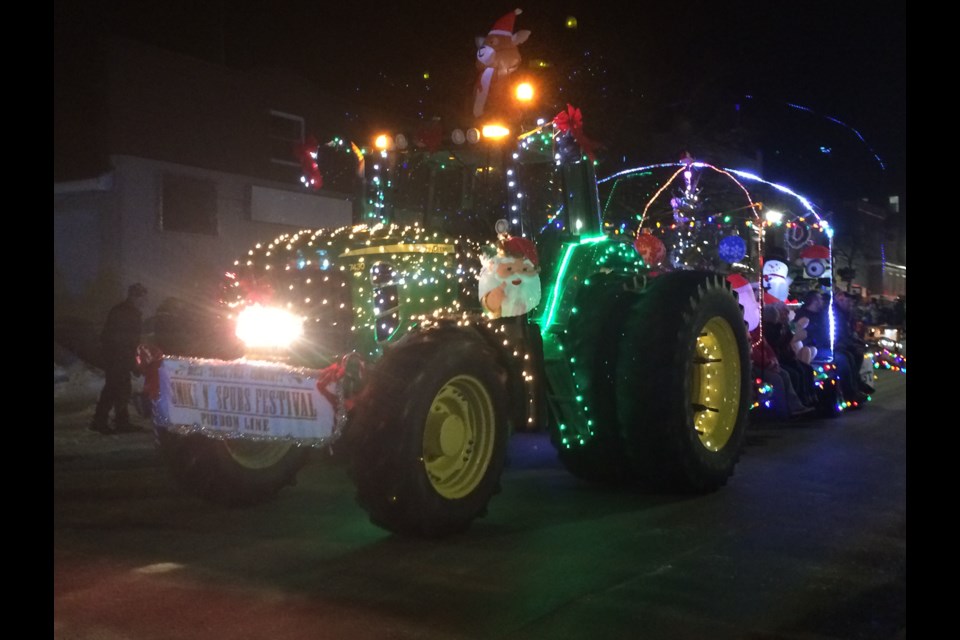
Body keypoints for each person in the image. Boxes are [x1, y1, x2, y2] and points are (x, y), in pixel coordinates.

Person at [90, 283, 148, 433]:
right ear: (135, 296)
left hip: (117, 356)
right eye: (142, 297)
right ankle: (102, 421)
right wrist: (129, 361)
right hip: (117, 357)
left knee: (119, 388)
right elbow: (122, 340)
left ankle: (117, 421)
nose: (144, 301)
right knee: (114, 388)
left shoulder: (125, 311)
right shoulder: (126, 313)